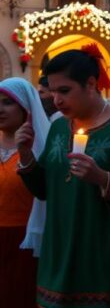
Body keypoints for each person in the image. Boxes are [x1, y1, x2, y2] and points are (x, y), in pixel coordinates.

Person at [16, 48, 110, 307]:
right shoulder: (58, 127)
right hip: (59, 250)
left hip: (103, 255)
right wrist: (25, 155)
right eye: (52, 91)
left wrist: (102, 178)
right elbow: (45, 190)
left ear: (91, 84)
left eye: (64, 91)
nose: (56, 100)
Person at [1, 78, 50, 307]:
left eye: (7, 103)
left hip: (25, 241)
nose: (0, 109)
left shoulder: (41, 146)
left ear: (25, 108)